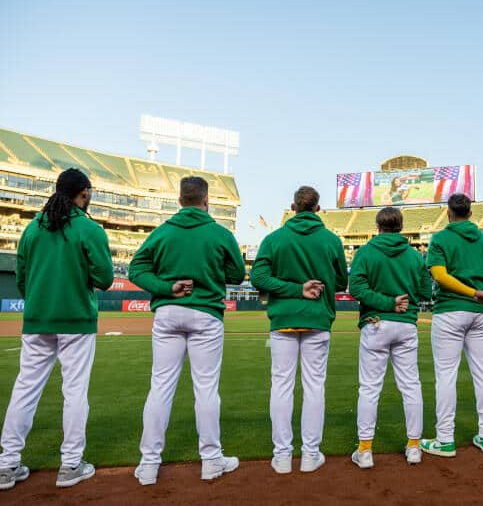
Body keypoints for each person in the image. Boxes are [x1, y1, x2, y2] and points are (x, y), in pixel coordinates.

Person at [0, 168, 113, 491]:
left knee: (25, 389)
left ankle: (7, 464)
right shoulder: (89, 229)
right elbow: (105, 279)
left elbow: (22, 279)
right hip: (76, 320)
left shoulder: (32, 229)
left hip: (37, 320)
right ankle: (71, 464)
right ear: (85, 193)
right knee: (74, 391)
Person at [129, 177, 246, 485]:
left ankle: (149, 464)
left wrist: (166, 286)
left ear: (180, 200)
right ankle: (210, 461)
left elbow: (136, 270)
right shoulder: (220, 233)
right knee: (206, 389)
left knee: (160, 387)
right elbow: (236, 273)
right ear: (206, 201)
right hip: (206, 313)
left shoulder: (163, 231)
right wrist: (210, 268)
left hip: (168, 312)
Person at [251, 186, 347, 474]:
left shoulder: (274, 238)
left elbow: (258, 276)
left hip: (283, 321)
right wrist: (308, 286)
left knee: (281, 386)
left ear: (293, 207)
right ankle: (310, 454)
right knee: (314, 386)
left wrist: (291, 288)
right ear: (318, 209)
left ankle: (281, 456)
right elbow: (342, 281)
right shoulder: (331, 240)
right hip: (317, 320)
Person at [348, 207, 431, 468]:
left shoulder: (366, 252)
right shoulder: (414, 255)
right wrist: (401, 299)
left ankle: (365, 451)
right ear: (401, 225)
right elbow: (426, 291)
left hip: (376, 322)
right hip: (406, 325)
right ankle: (414, 446)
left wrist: (385, 301)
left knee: (370, 388)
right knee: (411, 385)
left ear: (378, 225)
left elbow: (357, 288)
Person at [420, 194, 483, 457]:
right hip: (480, 312)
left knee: (446, 375)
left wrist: (470, 292)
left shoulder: (441, 238)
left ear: (448, 212)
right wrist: (477, 288)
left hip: (451, 310)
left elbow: (440, 276)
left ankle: (444, 439)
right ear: (471, 213)